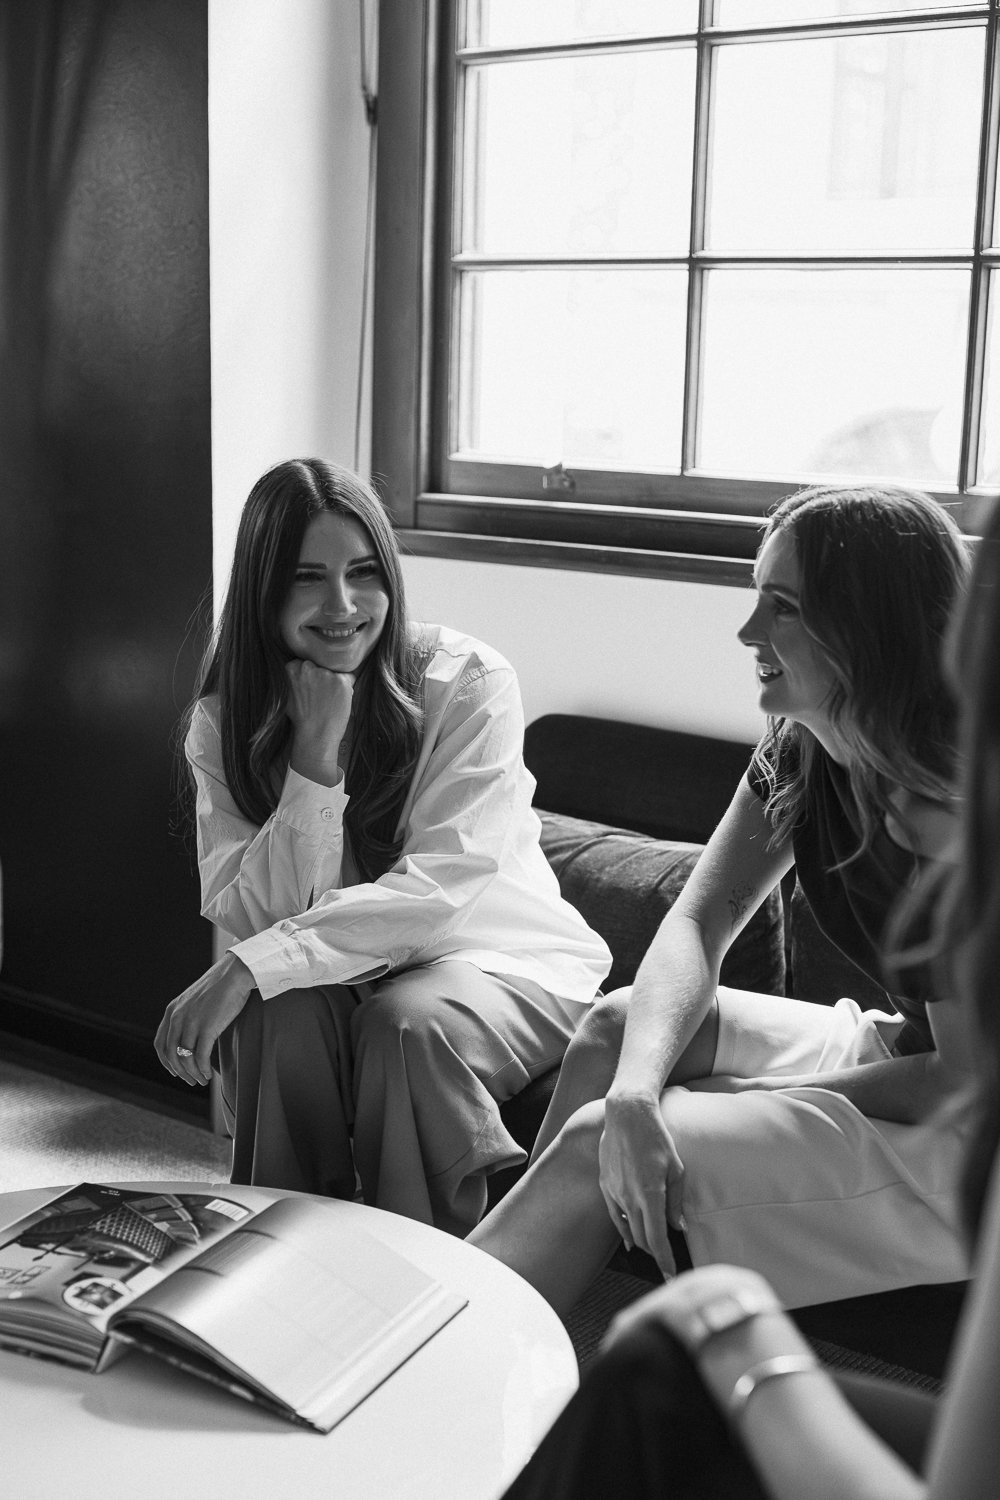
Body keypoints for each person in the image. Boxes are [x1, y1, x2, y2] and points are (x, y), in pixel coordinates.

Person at [499, 499, 1000, 1500]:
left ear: (864, 628)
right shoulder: (802, 746)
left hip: (967, 1136)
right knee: (614, 1036)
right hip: (912, 1051)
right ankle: (507, 1332)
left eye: (783, 607)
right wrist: (639, 1092)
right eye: (754, 596)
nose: (745, 632)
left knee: (593, 1151)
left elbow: (961, 1079)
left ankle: (434, 1369)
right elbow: (698, 921)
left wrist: (737, 1104)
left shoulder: (952, 796)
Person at [153, 458, 611, 1234]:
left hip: (499, 962)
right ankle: (285, 1250)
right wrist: (314, 756)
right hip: (348, 972)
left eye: (364, 573)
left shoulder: (468, 682)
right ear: (264, 590)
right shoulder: (221, 723)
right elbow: (256, 912)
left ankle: (426, 1272)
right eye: (307, 578)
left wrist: (247, 964)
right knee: (274, 1013)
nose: (343, 605)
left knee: (403, 1025)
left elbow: (438, 892)